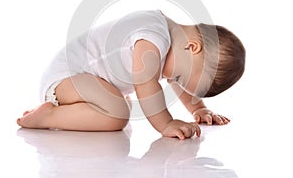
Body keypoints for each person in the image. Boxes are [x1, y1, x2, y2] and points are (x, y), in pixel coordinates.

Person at [17, 10, 245, 140]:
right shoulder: (152, 37)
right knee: (117, 115)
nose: (176, 81)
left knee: (116, 107)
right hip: (65, 79)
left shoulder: (169, 40)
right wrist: (165, 123)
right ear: (193, 47)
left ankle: (75, 109)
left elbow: (172, 80)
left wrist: (197, 108)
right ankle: (47, 117)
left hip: (85, 81)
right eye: (182, 79)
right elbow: (145, 84)